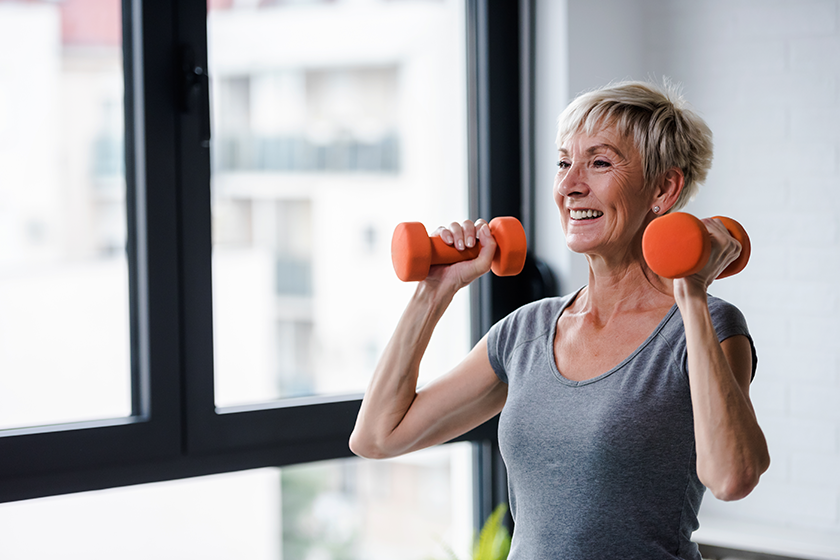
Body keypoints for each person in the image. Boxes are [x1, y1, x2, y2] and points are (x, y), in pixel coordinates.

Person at [349, 80, 770, 560]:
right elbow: (377, 437)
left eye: (600, 162)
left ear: (663, 188)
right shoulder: (525, 332)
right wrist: (434, 291)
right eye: (564, 162)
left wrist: (690, 291)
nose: (571, 185)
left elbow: (732, 477)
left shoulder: (708, 327)